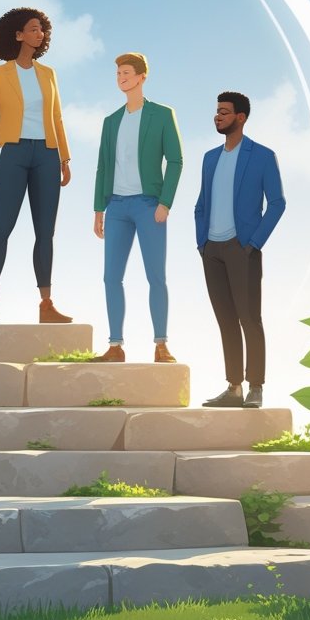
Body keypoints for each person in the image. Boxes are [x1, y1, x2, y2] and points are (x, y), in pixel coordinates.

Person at [0, 7, 73, 324]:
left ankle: (46, 304)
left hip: (46, 154)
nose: (39, 34)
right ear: (18, 35)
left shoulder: (49, 75)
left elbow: (57, 117)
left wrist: (65, 158)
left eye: (42, 29)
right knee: (1, 228)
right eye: (33, 29)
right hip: (13, 154)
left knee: (45, 232)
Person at [196, 91, 286, 408]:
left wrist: (253, 243)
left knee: (250, 318)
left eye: (224, 111)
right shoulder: (210, 158)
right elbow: (201, 205)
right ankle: (234, 388)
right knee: (225, 320)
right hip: (213, 251)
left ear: (241, 118)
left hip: (242, 248)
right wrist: (201, 242)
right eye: (216, 110)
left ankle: (256, 386)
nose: (218, 116)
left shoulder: (261, 156)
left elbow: (277, 203)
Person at [92, 52, 183, 363]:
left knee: (155, 276)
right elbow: (102, 167)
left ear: (142, 76)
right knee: (110, 277)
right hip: (116, 206)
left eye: (127, 72)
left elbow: (175, 160)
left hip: (148, 206)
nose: (121, 78)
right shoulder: (111, 121)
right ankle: (115, 345)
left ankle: (161, 344)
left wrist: (165, 203)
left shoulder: (161, 115)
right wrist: (98, 210)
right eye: (118, 73)